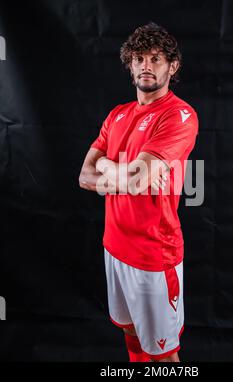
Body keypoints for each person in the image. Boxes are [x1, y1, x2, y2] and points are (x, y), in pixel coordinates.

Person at [79, 22, 199, 362]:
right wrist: (120, 172)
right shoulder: (117, 115)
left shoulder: (179, 115)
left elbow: (135, 180)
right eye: (139, 58)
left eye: (156, 59)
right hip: (114, 246)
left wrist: (108, 166)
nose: (146, 65)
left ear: (172, 66)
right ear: (130, 65)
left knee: (163, 354)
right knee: (131, 332)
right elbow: (84, 175)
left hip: (153, 255)